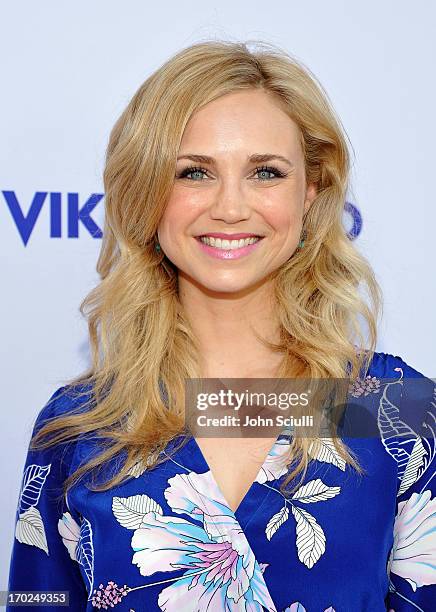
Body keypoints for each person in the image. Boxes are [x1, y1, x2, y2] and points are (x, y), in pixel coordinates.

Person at [7, 39, 436, 612]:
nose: (230, 207)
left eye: (265, 172)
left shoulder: (396, 411)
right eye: (193, 173)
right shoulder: (81, 426)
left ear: (310, 193)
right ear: (148, 195)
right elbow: (39, 601)